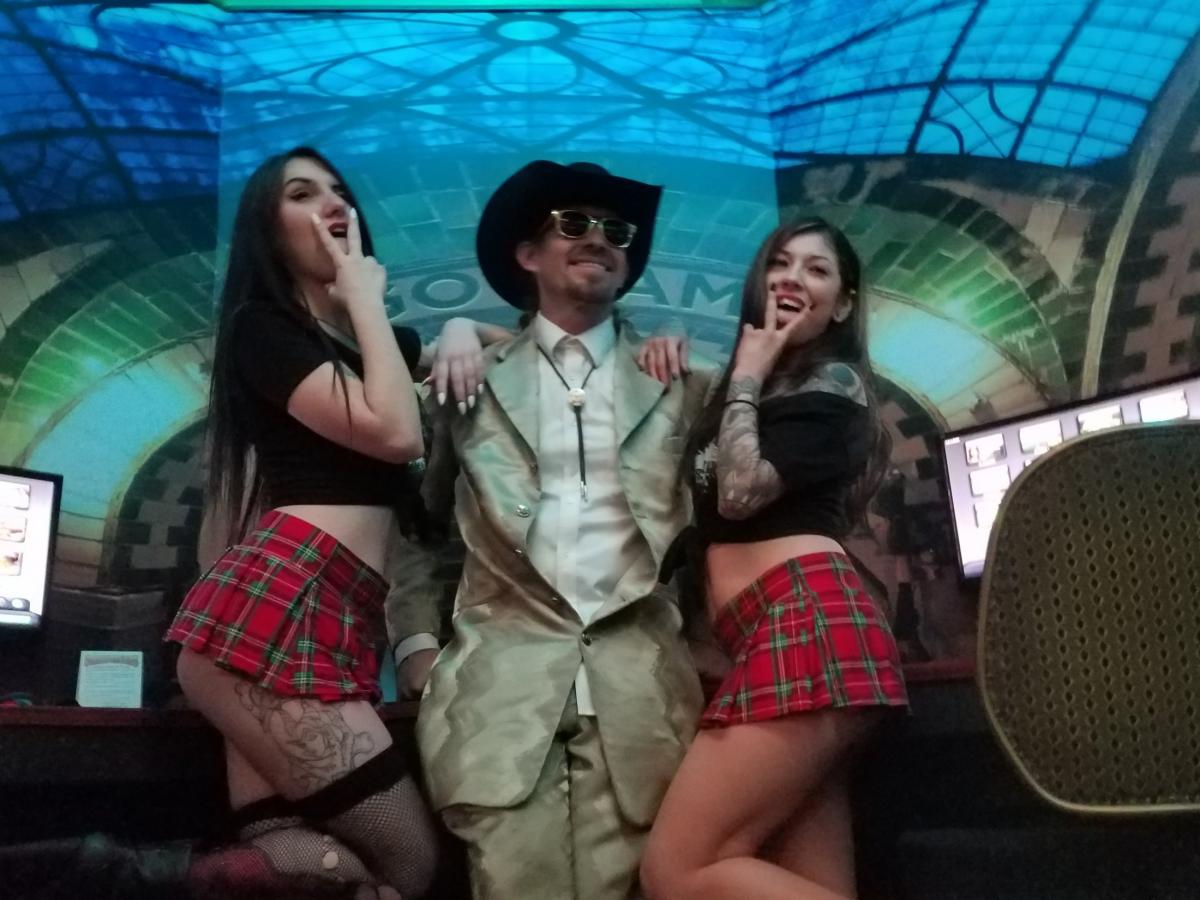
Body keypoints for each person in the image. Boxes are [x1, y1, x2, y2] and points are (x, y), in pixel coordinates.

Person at [388, 159, 717, 900]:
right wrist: (416, 647)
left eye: (616, 230)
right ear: (528, 253)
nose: (598, 237)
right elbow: (418, 526)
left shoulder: (686, 383)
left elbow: (717, 529)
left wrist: (706, 640)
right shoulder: (465, 378)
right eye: (573, 224)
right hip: (497, 692)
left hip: (644, 696)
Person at [166, 146, 454, 898]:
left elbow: (478, 350)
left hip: (330, 617)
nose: (333, 202)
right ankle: (134, 876)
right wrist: (364, 296)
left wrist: (459, 333)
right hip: (280, 605)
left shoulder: (367, 351)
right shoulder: (264, 328)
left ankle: (136, 872)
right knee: (412, 864)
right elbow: (397, 433)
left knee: (290, 851)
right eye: (301, 193)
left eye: (338, 189)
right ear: (269, 230)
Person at [639, 218, 909, 900]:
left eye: (817, 269)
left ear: (843, 304)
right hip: (778, 630)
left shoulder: (832, 381)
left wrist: (747, 376)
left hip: (806, 623)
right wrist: (474, 332)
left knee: (675, 870)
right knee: (807, 882)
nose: (793, 278)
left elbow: (739, 493)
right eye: (781, 263)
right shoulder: (764, 385)